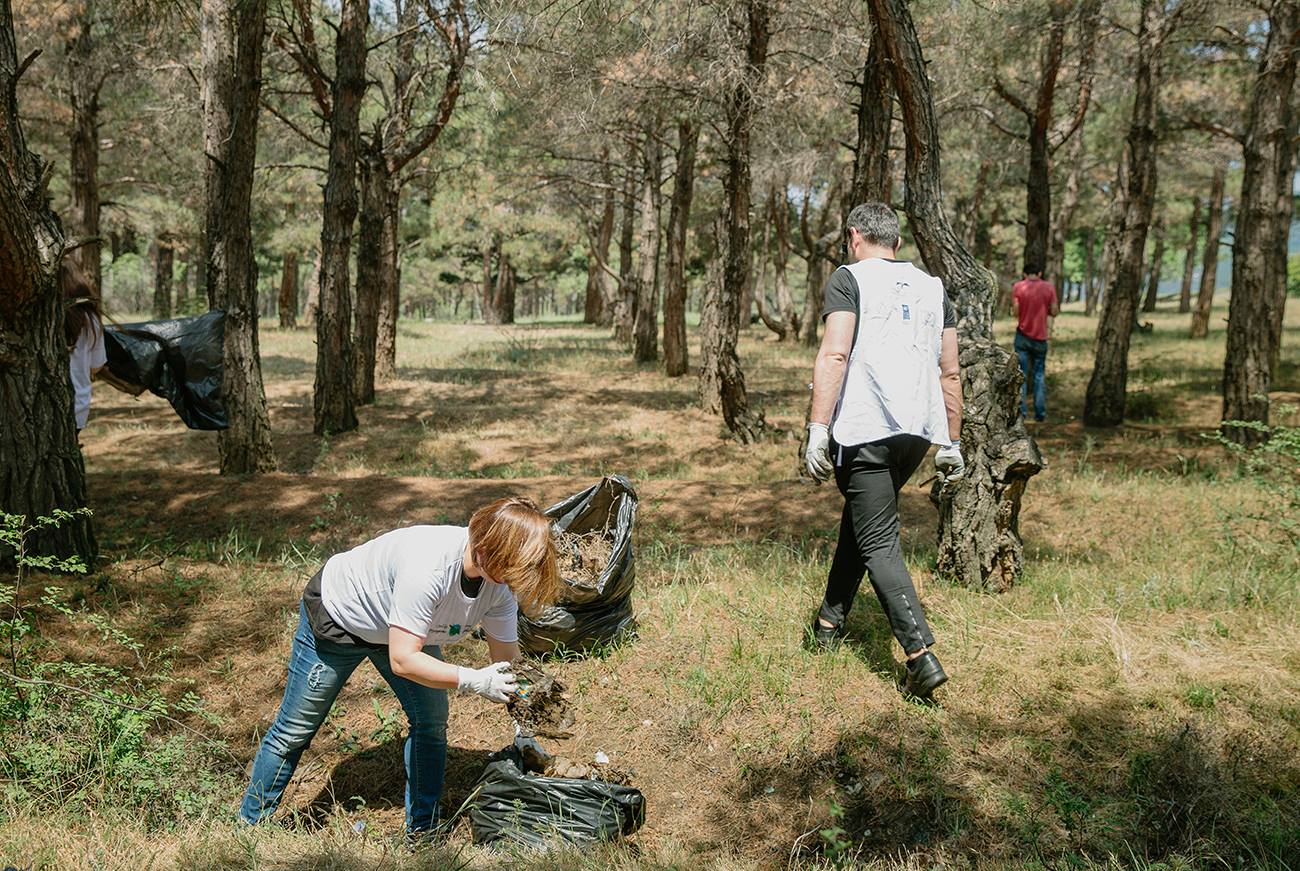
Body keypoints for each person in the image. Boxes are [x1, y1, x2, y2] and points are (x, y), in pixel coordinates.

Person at [239, 496, 561, 837]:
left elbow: (508, 664)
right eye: (512, 570)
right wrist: (473, 680)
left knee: (431, 721)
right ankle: (250, 825)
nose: (514, 582)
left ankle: (423, 830)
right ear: (486, 551)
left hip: (406, 631)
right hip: (340, 620)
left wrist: (525, 724)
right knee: (295, 730)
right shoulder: (429, 568)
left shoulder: (499, 587)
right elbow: (403, 660)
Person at [803, 203, 964, 699]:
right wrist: (952, 440)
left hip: (865, 428)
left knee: (878, 540)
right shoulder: (934, 288)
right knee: (863, 520)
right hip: (916, 433)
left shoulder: (848, 278)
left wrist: (817, 428)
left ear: (854, 236)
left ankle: (920, 656)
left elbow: (835, 353)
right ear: (896, 242)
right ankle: (829, 623)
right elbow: (950, 371)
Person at [62, 260, 107, 432]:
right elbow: (96, 366)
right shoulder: (91, 320)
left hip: (34, 406)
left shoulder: (43, 319)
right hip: (77, 407)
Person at [1011, 264, 1059, 422]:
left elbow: (1016, 311)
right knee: (1039, 375)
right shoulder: (1049, 287)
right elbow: (1054, 311)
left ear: (1024, 274)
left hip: (1022, 336)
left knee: (1022, 375)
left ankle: (1022, 412)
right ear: (1039, 273)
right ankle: (1040, 413)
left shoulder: (1018, 287)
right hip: (1041, 337)